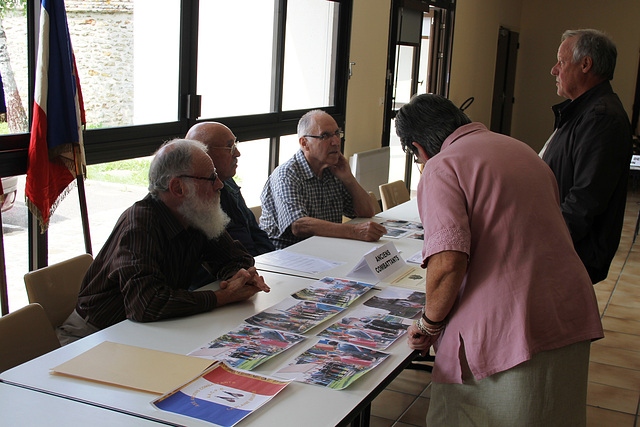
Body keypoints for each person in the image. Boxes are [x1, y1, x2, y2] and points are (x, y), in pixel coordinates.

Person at [396, 94, 603, 426]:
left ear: (417, 148)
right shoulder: (521, 150)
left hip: (507, 324)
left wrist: (428, 324)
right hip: (565, 307)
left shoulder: (441, 166)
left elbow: (448, 262)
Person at [57, 139, 270, 345]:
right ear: (178, 188)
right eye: (210, 178)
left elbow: (234, 257)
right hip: (94, 338)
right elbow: (147, 304)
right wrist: (222, 296)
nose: (219, 185)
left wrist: (239, 276)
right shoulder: (140, 225)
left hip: (149, 331)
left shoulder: (194, 212)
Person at [541, 29, 632, 284]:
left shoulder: (601, 118)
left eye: (562, 61)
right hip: (559, 249)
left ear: (585, 64)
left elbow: (584, 200)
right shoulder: (585, 112)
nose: (554, 70)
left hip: (569, 255)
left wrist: (542, 243)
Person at [260, 109, 386, 249]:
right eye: (325, 136)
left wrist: (349, 178)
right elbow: (298, 225)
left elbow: (367, 212)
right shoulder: (287, 175)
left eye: (337, 134)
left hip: (324, 249)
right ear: (304, 143)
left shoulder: (333, 169)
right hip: (287, 255)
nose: (335, 142)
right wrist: (354, 231)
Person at [186, 122, 275, 256]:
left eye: (235, 145)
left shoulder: (228, 182)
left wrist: (267, 258)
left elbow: (255, 231)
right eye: (230, 147)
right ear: (203, 153)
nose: (237, 153)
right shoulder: (192, 195)